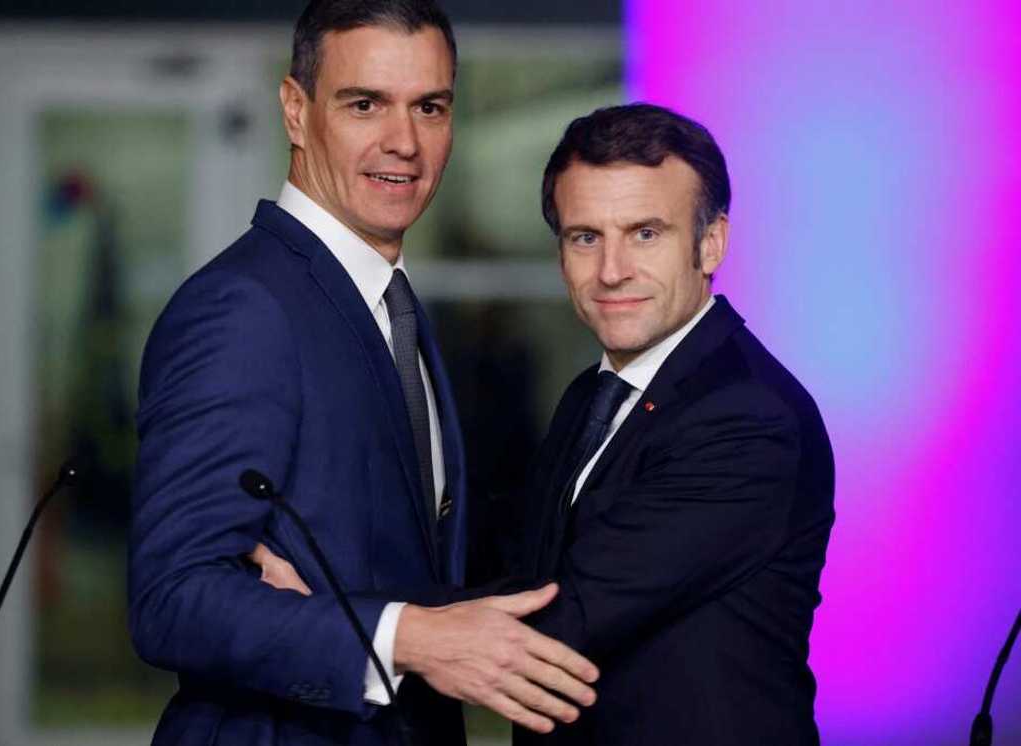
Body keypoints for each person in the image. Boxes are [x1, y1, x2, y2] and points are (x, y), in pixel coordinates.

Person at [128, 2, 597, 745]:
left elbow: (409, 566)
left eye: (430, 107)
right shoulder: (245, 309)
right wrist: (406, 638)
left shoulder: (388, 305)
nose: (403, 142)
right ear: (295, 110)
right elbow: (172, 598)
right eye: (365, 104)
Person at [511, 103, 836, 745]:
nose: (611, 270)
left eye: (645, 233)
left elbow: (567, 616)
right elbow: (524, 556)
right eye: (585, 237)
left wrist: (363, 624)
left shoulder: (747, 417)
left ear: (710, 243)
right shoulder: (594, 393)